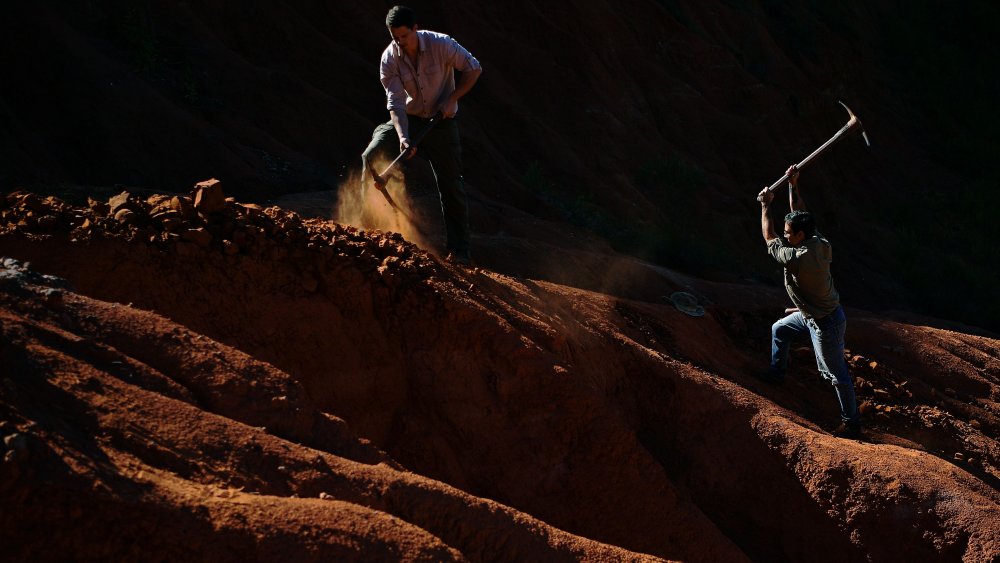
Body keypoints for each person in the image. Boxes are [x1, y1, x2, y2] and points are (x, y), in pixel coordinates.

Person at [361, 5, 482, 265]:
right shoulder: (389, 58)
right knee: (371, 155)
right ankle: (366, 231)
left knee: (451, 185)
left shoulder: (442, 44)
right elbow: (395, 104)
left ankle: (460, 251)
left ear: (415, 28)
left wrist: (452, 99)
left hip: (442, 123)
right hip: (410, 119)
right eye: (395, 37)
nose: (400, 42)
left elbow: (474, 68)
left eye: (405, 36)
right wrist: (404, 137)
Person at [757, 165, 862, 438]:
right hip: (810, 313)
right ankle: (777, 374)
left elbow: (769, 238)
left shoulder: (798, 258)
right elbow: (800, 214)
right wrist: (793, 185)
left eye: (789, 233)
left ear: (800, 237)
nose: (785, 235)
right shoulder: (819, 241)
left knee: (836, 375)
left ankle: (851, 424)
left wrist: (765, 206)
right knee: (779, 329)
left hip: (825, 323)